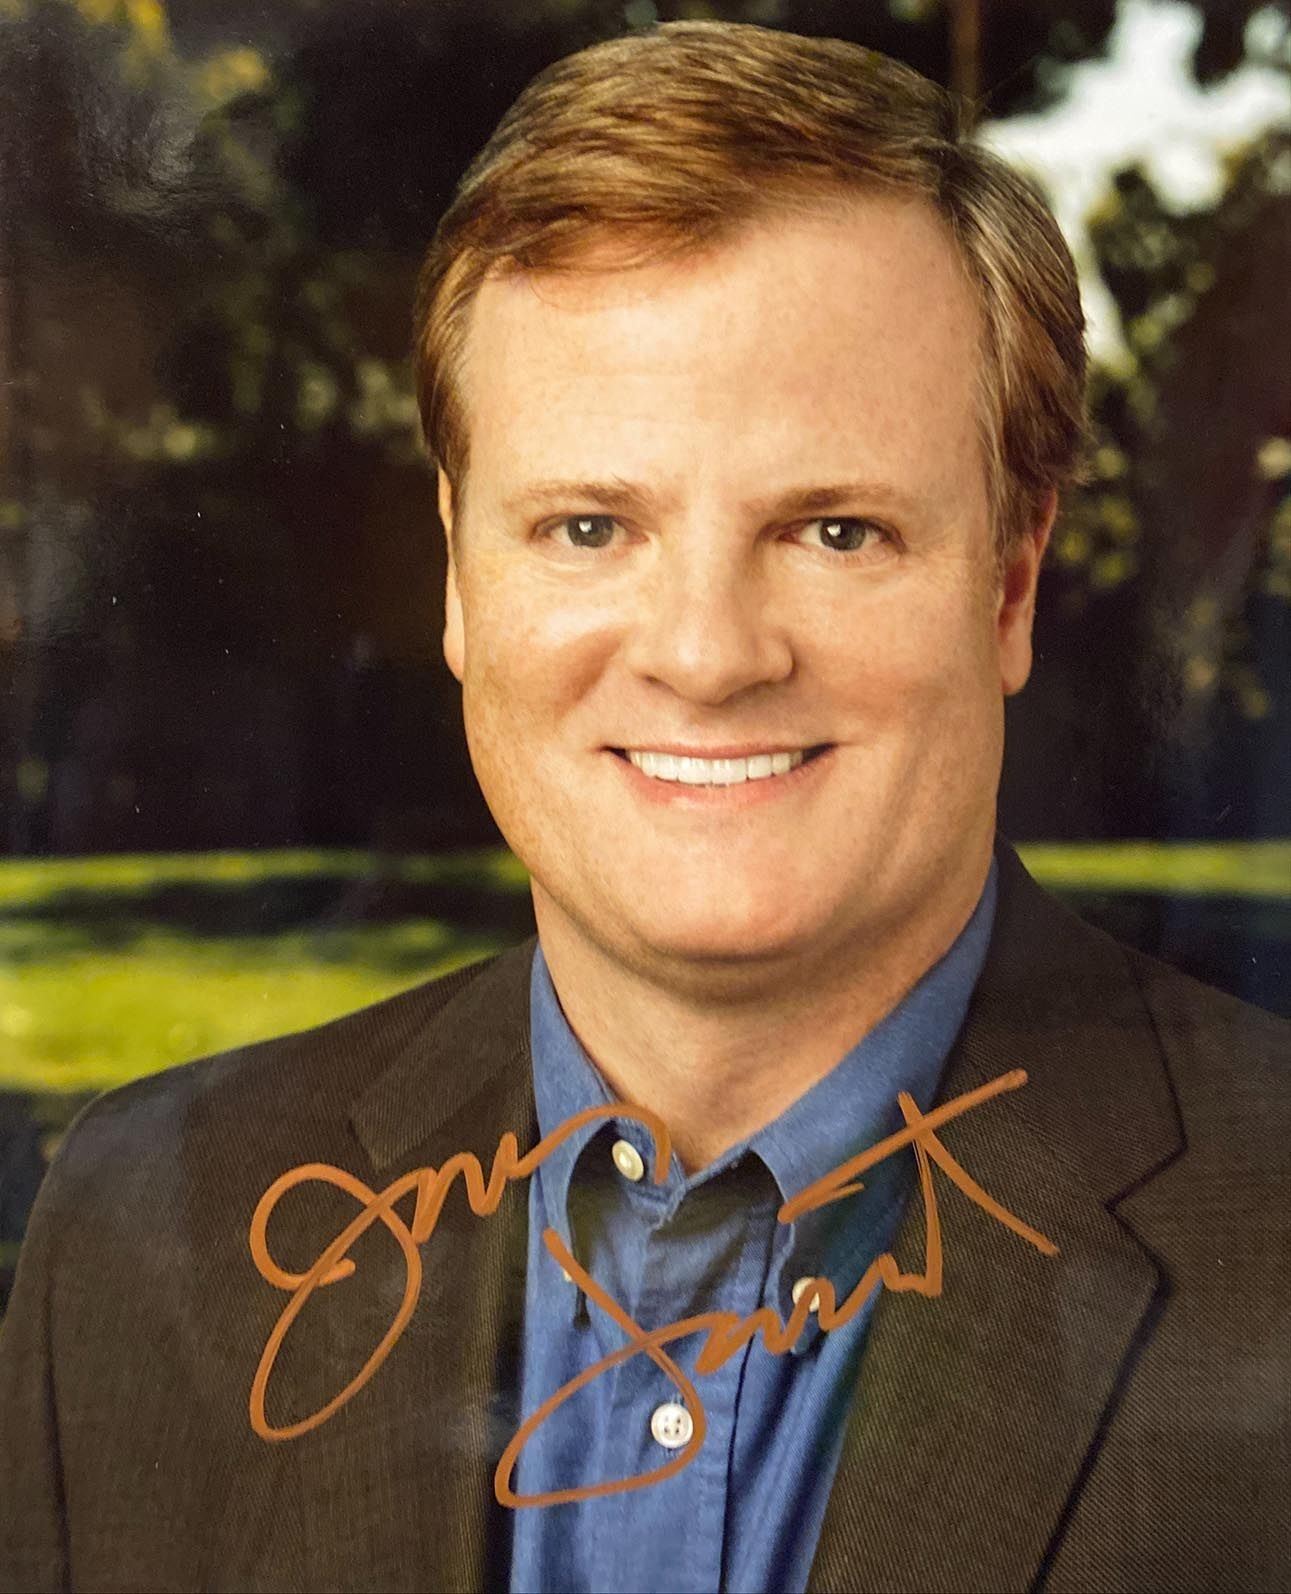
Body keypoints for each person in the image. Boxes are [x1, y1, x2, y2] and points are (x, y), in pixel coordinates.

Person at [1, 21, 1287, 1594]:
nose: (706, 654)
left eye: (834, 529)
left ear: (1010, 583)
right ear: (460, 574)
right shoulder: (142, 1238)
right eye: (590, 526)